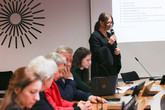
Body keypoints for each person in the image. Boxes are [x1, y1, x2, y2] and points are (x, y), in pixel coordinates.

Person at [89, 12, 121, 78]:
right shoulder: (95, 36)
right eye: (108, 23)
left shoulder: (110, 35)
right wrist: (109, 44)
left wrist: (117, 53)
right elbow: (97, 53)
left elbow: (112, 51)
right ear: (101, 22)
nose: (110, 25)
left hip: (112, 71)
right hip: (101, 73)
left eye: (111, 22)